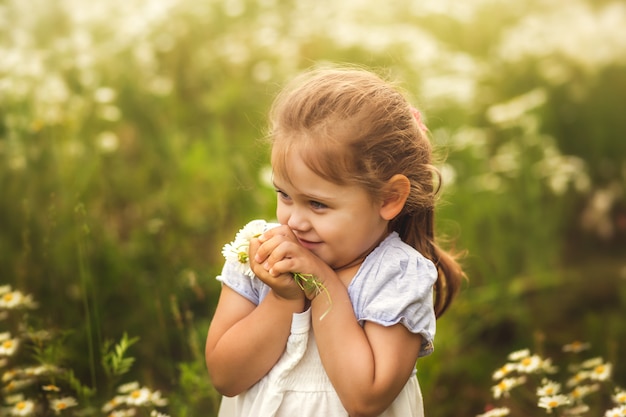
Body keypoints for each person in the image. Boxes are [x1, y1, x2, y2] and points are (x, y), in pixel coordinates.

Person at [205, 66, 465, 417]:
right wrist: (285, 298)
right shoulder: (261, 252)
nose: (294, 221)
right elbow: (225, 376)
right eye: (284, 195)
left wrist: (322, 284)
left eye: (317, 204)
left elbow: (365, 398)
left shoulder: (394, 275)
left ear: (388, 198)